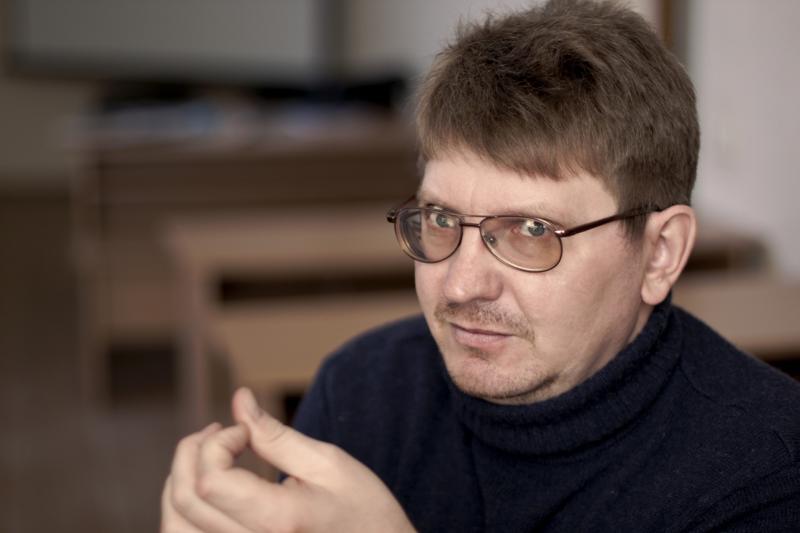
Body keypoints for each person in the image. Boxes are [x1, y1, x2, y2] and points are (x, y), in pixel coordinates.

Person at [161, 1, 800, 531]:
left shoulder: (767, 473)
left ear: (659, 254)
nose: (462, 284)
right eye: (441, 219)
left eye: (531, 231)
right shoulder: (358, 392)